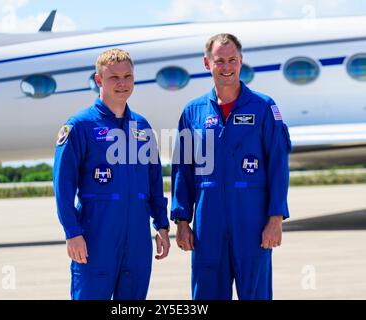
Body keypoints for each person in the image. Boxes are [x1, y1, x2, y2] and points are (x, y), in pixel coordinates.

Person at [171, 33, 292, 300]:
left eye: (232, 60)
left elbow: (278, 167)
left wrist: (275, 218)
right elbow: (182, 170)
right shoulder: (193, 112)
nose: (226, 67)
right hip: (208, 221)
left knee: (256, 294)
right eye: (219, 61)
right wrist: (181, 220)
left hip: (252, 220)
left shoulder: (264, 107)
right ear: (207, 63)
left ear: (241, 61)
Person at [53, 48, 170, 300]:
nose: (122, 83)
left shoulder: (142, 127)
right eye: (114, 77)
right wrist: (72, 233)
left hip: (138, 240)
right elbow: (63, 187)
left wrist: (161, 224)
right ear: (98, 81)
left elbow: (153, 181)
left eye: (127, 76)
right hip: (96, 238)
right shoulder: (79, 126)